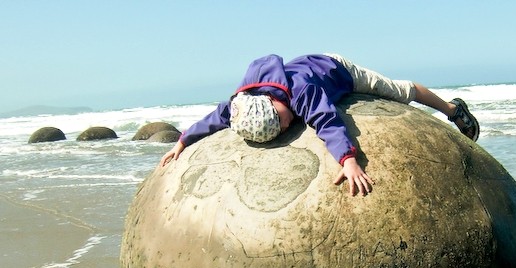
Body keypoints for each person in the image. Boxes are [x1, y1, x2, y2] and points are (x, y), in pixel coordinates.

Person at [160, 53, 480, 196]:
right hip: (307, 67)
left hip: (338, 69)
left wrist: (349, 160)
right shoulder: (242, 103)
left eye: (283, 124)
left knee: (400, 91)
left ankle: (452, 109)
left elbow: (327, 121)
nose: (287, 129)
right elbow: (215, 118)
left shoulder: (302, 92)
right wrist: (183, 141)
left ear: (277, 104)